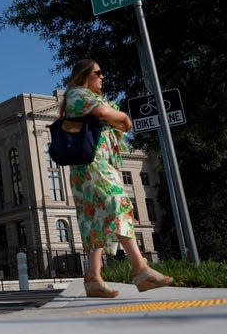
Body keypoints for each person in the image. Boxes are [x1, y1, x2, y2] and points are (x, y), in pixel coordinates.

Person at [62, 59, 173, 298]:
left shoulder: (92, 99)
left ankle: (93, 277)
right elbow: (110, 116)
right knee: (118, 203)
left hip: (92, 167)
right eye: (98, 73)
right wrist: (117, 115)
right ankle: (140, 268)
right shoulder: (77, 95)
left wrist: (117, 118)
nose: (103, 77)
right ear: (84, 76)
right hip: (93, 164)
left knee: (93, 218)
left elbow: (126, 127)